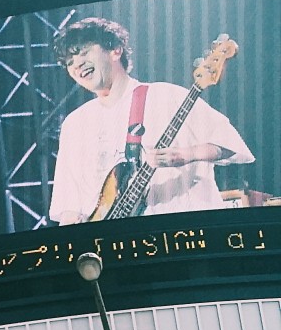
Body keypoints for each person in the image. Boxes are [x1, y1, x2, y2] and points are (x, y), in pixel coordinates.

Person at [48, 15, 252, 226]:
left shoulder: (166, 96)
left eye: (83, 53)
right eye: (69, 63)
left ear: (115, 50)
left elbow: (231, 145)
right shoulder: (74, 124)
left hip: (186, 230)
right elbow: (68, 202)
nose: (77, 65)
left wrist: (186, 155)